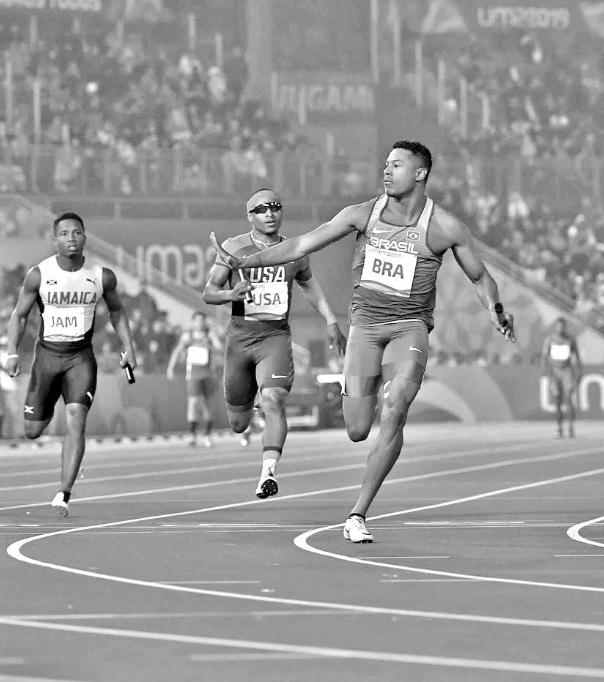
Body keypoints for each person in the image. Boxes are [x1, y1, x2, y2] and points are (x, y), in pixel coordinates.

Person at [210, 141, 516, 543]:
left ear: (420, 173)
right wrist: (246, 262)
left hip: (409, 327)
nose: (386, 171)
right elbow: (301, 245)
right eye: (385, 164)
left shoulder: (445, 226)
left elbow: (480, 277)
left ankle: (357, 514)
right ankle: (359, 396)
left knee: (396, 407)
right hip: (365, 329)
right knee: (357, 428)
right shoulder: (362, 214)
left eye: (396, 165)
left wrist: (495, 308)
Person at [203, 188, 346, 499]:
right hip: (240, 340)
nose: (269, 213)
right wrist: (230, 294)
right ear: (249, 216)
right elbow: (209, 292)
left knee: (274, 401)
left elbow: (310, 287)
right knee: (238, 424)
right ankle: (254, 403)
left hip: (275, 337)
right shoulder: (234, 247)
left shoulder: (294, 251)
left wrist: (330, 319)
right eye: (261, 209)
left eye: (275, 207)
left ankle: (268, 472)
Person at [3, 212, 137, 517]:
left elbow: (117, 311)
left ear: (85, 237)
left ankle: (63, 494)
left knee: (77, 418)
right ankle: (48, 402)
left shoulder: (101, 276)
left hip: (80, 358)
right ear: (54, 240)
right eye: (64, 234)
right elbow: (19, 315)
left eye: (76, 232)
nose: (71, 238)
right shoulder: (39, 274)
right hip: (47, 357)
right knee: (32, 430)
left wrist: (129, 348)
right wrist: (12, 352)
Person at [166, 311, 223, 447]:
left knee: (207, 404)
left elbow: (220, 348)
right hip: (193, 374)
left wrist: (210, 343)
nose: (199, 323)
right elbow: (177, 351)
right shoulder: (188, 336)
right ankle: (192, 434)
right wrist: (170, 368)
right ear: (192, 322)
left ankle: (207, 434)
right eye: (197, 320)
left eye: (202, 320)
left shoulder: (209, 335)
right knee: (193, 403)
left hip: (208, 374)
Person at [540, 316, 582, 439]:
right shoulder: (550, 340)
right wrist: (545, 372)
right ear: (555, 327)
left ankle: (571, 427)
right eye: (558, 326)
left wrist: (579, 372)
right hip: (554, 372)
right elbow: (544, 356)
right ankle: (559, 428)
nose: (560, 328)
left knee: (569, 399)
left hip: (567, 371)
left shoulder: (570, 340)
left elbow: (577, 357)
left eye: (562, 326)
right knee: (558, 400)